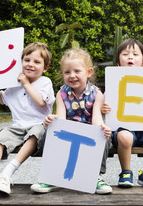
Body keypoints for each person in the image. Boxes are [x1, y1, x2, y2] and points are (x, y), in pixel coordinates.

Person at [0, 42, 55, 194]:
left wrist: (25, 83)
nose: (30, 64)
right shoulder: (14, 83)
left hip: (39, 126)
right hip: (18, 126)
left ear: (45, 68)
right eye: (27, 60)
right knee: (0, 138)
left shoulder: (44, 82)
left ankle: (6, 174)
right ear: (20, 62)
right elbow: (3, 98)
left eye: (37, 62)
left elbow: (41, 102)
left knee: (35, 133)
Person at [30, 48, 112, 194]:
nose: (72, 76)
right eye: (67, 72)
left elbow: (96, 120)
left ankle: (96, 175)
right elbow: (61, 119)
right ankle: (52, 176)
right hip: (69, 133)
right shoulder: (62, 93)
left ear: (89, 72)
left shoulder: (97, 94)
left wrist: (102, 128)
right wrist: (51, 120)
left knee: (104, 135)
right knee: (50, 132)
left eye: (77, 71)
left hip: (88, 134)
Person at [101, 38, 143, 189]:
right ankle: (126, 171)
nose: (130, 57)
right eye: (125, 54)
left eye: (135, 54)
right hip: (124, 129)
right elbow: (104, 103)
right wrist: (102, 108)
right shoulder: (113, 82)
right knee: (124, 137)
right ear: (118, 63)